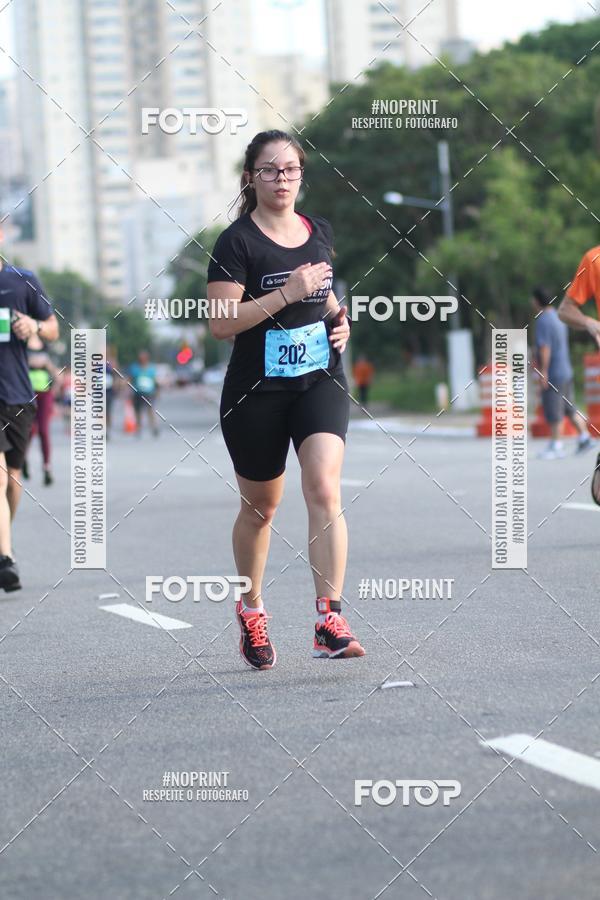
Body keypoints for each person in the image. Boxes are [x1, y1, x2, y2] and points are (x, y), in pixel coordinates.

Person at [207, 129, 365, 670]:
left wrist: (340, 320)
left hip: (319, 378)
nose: (283, 179)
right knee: (261, 508)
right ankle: (251, 608)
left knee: (323, 486)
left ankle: (329, 620)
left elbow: (324, 295)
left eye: (292, 169)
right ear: (251, 177)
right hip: (256, 392)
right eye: (271, 170)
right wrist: (286, 293)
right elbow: (221, 324)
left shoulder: (318, 230)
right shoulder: (236, 242)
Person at [0, 249, 59, 590]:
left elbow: (52, 329)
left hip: (18, 395)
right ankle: (5, 556)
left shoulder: (21, 280)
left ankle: (4, 536)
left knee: (13, 479)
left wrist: (33, 325)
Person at [531, 287, 591, 459]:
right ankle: (584, 437)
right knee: (569, 408)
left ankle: (556, 445)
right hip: (566, 370)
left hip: (554, 372)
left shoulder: (543, 320)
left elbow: (545, 347)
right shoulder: (558, 317)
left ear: (537, 301)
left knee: (553, 409)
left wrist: (543, 371)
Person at [23, 333, 61, 485]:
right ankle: (23, 459)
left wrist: (56, 390)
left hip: (45, 394)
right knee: (30, 430)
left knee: (44, 431)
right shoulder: (22, 343)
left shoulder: (45, 345)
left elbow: (53, 370)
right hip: (28, 394)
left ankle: (47, 467)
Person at [129, 350, 159, 436]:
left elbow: (155, 380)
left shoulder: (151, 368)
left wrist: (157, 391)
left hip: (149, 393)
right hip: (137, 392)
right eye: (140, 357)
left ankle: (154, 427)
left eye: (144, 357)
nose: (142, 359)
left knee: (150, 411)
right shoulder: (135, 367)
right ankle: (138, 428)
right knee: (138, 411)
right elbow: (131, 379)